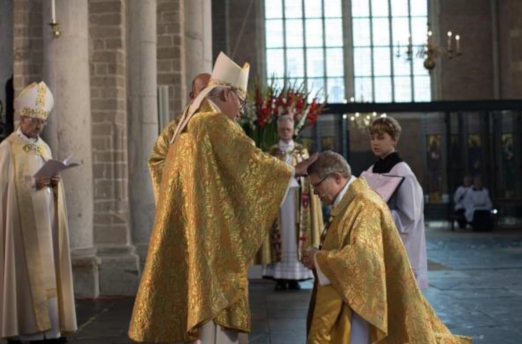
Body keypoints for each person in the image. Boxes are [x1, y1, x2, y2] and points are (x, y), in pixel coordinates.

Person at [128, 52, 317, 344]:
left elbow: (158, 160)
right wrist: (293, 170)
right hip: (212, 237)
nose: (241, 111)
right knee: (212, 309)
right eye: (240, 102)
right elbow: (252, 164)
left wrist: (176, 204)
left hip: (187, 227)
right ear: (226, 93)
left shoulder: (185, 124)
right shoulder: (215, 124)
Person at [302, 151, 471, 344]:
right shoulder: (350, 201)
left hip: (364, 305)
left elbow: (364, 258)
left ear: (337, 178)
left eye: (317, 185)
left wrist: (318, 259)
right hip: (353, 295)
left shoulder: (364, 205)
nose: (315, 192)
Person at [0, 82, 77, 343]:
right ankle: (27, 332)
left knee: (50, 276)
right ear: (22, 118)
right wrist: (33, 183)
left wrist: (55, 184)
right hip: (22, 234)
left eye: (42, 122)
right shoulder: (7, 148)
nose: (39, 127)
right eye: (34, 121)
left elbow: (53, 187)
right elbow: (4, 190)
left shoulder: (45, 149)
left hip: (46, 225)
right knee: (25, 279)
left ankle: (51, 330)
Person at [258, 115, 323, 291]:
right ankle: (279, 276)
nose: (286, 132)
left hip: (298, 201)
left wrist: (296, 180)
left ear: (293, 130)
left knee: (296, 236)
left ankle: (295, 276)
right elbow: (266, 178)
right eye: (282, 129)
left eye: (288, 129)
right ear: (278, 130)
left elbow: (308, 177)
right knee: (282, 236)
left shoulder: (302, 151)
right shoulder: (271, 153)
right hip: (278, 203)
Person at [365, 117, 428, 290]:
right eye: (372, 138)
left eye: (381, 137)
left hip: (397, 244)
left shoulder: (403, 173)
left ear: (394, 139)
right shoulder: (371, 171)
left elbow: (411, 217)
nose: (375, 142)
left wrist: (381, 217)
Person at [148, 73, 211, 201]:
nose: (207, 97)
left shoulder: (222, 125)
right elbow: (157, 159)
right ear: (192, 95)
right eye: (203, 91)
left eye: (211, 92)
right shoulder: (177, 128)